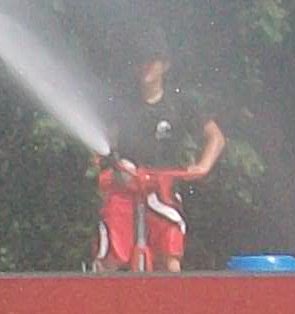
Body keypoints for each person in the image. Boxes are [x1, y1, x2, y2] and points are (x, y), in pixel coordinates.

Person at [95, 47, 224, 273]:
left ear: (165, 65)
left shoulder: (179, 103)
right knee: (111, 256)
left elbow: (216, 137)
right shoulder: (122, 103)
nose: (145, 65)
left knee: (170, 255)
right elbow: (103, 139)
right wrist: (109, 163)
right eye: (141, 60)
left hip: (162, 188)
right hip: (125, 186)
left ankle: (172, 296)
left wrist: (202, 167)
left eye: (152, 60)